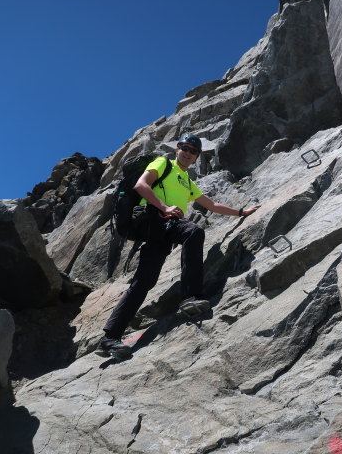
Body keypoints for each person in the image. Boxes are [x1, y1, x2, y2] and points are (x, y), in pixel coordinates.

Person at [96, 132, 260, 358]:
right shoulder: (163, 163)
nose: (188, 153)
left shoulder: (188, 182)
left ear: (196, 157)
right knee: (193, 231)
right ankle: (190, 297)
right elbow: (141, 186)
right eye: (185, 148)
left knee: (144, 281)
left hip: (160, 230)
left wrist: (241, 212)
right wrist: (164, 207)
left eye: (193, 151)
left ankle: (109, 339)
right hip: (154, 217)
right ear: (177, 149)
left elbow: (212, 205)